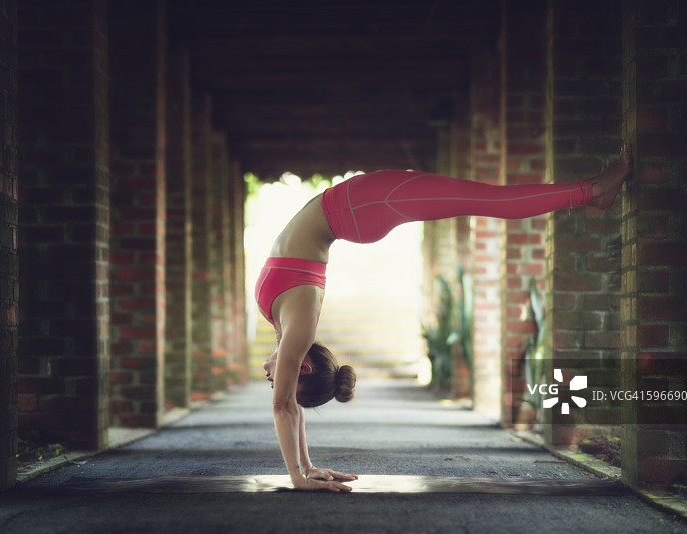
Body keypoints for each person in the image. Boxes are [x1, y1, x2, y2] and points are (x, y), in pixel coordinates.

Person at [257, 146, 633, 492]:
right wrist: (298, 476)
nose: (270, 377)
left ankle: (592, 192)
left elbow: (290, 406)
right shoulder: (298, 329)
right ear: (303, 369)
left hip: (360, 207)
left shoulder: (290, 330)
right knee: (489, 199)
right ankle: (593, 191)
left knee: (486, 199)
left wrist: (306, 468)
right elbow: (283, 406)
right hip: (365, 205)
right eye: (278, 380)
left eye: (276, 381)